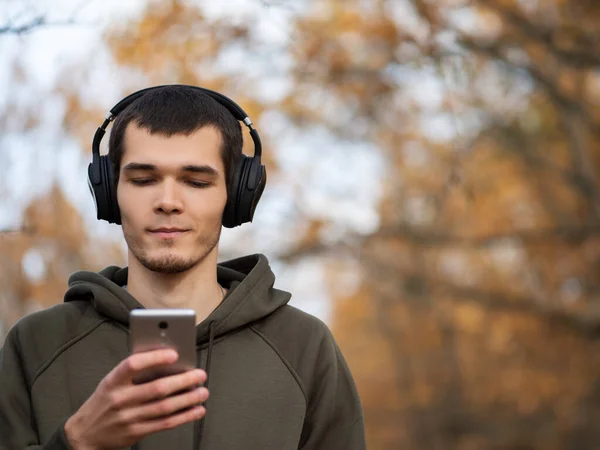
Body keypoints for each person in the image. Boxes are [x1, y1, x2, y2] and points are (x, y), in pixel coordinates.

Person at [0, 85, 366, 450]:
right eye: (143, 180)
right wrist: (77, 443)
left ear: (236, 195)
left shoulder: (303, 347)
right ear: (110, 192)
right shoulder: (36, 345)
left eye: (196, 181)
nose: (168, 202)